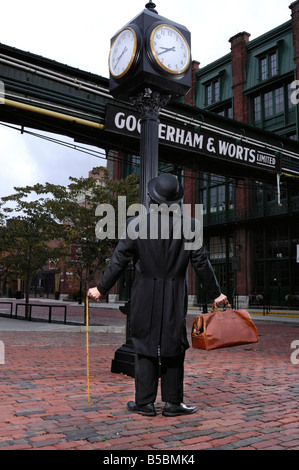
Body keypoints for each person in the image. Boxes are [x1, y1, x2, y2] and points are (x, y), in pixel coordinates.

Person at [88, 173, 227, 417]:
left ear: (152, 198)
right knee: (174, 343)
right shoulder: (190, 226)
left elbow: (118, 261)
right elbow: (202, 263)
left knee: (144, 343)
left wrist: (101, 288)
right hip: (175, 294)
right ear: (176, 200)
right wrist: (215, 294)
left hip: (144, 295)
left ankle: (144, 403)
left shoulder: (136, 225)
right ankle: (173, 403)